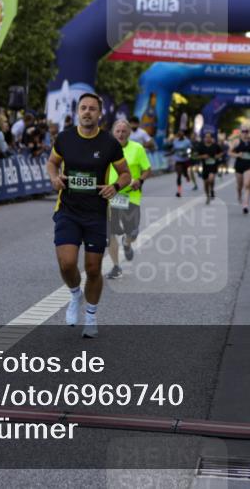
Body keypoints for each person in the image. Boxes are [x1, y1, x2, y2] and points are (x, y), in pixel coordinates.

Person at [46, 93, 131, 338]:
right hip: (68, 210)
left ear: (99, 114)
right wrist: (54, 178)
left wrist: (115, 187)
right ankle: (75, 294)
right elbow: (52, 163)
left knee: (93, 269)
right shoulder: (65, 138)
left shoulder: (109, 143)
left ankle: (91, 316)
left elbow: (125, 174)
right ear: (77, 112)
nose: (87, 112)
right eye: (83, 108)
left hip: (96, 214)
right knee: (67, 263)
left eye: (92, 109)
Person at [105, 119, 151, 280]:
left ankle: (127, 242)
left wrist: (140, 180)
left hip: (131, 196)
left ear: (129, 133)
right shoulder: (106, 148)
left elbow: (147, 169)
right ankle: (116, 267)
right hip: (111, 195)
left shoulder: (137, 148)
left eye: (124, 131)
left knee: (132, 232)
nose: (121, 134)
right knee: (110, 233)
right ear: (113, 133)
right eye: (117, 131)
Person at [231, 128, 250, 214]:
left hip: (249, 165)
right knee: (240, 185)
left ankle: (245, 205)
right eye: (243, 131)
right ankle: (239, 194)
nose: (245, 133)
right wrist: (237, 155)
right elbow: (229, 152)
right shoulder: (236, 142)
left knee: (247, 185)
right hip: (239, 165)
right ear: (240, 133)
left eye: (247, 132)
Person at [193, 131, 222, 204]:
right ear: (204, 138)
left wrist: (217, 156)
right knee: (206, 183)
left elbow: (221, 152)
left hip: (213, 166)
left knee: (211, 179)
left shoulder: (215, 145)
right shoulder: (201, 146)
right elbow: (195, 156)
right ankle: (207, 196)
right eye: (206, 137)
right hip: (205, 167)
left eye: (209, 137)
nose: (207, 138)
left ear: (211, 138)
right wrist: (202, 156)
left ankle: (212, 189)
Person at [171, 130, 195, 197]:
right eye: (179, 134)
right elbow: (174, 149)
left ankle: (187, 176)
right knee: (179, 175)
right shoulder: (175, 141)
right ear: (178, 135)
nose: (180, 136)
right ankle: (179, 191)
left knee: (184, 173)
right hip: (178, 160)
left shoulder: (187, 141)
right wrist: (170, 153)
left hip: (185, 160)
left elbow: (191, 149)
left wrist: (188, 153)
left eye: (181, 134)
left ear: (183, 135)